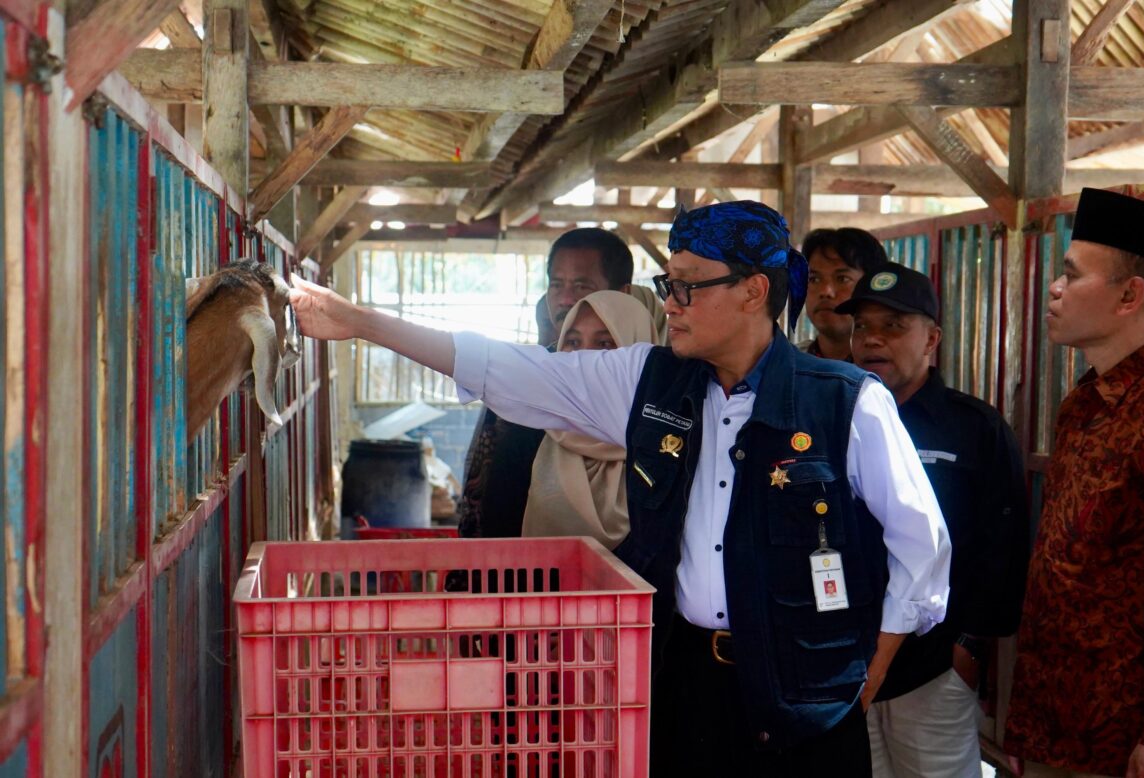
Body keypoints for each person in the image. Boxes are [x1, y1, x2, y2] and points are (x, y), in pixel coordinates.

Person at [289, 200, 951, 777]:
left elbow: (922, 547)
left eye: (690, 286)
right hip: (686, 682)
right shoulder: (649, 381)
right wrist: (362, 324)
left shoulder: (846, 402)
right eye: (670, 282)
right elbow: (511, 370)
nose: (669, 302)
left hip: (806, 695)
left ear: (754, 292)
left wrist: (872, 673)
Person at [836, 263, 1030, 778]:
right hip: (844, 664)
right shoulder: (830, 419)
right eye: (862, 327)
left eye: (894, 325)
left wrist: (966, 650)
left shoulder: (974, 428)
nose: (873, 340)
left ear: (932, 339)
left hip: (932, 669)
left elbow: (1003, 551)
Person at [1003, 188, 1144, 778]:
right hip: (1054, 727)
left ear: (1130, 295)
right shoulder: (1081, 403)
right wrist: (1025, 724)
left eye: (1071, 276)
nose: (1054, 287)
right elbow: (1061, 575)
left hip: (1126, 740)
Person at [457, 227, 634, 539]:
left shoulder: (643, 386)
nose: (565, 299)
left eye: (582, 285)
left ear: (622, 294)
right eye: (556, 284)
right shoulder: (525, 378)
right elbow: (486, 484)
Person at [522, 290, 662, 548]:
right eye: (573, 342)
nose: (582, 358)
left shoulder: (668, 448)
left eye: (605, 344)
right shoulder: (531, 434)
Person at [798, 227, 889, 360]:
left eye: (842, 279)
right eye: (814, 279)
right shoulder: (784, 365)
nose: (826, 292)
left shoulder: (890, 370)